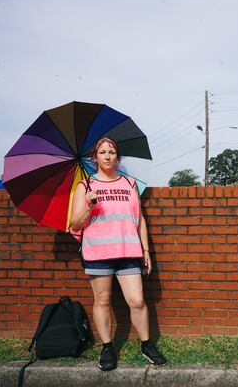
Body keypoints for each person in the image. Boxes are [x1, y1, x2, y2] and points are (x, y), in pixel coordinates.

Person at [70, 137, 166, 371]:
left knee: (137, 300)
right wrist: (89, 206)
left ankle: (146, 345)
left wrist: (145, 249)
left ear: (117, 156)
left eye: (112, 151)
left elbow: (139, 219)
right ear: (95, 157)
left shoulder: (129, 183)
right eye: (102, 152)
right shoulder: (85, 186)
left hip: (128, 251)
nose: (107, 156)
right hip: (98, 253)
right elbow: (74, 224)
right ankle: (107, 348)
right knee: (102, 301)